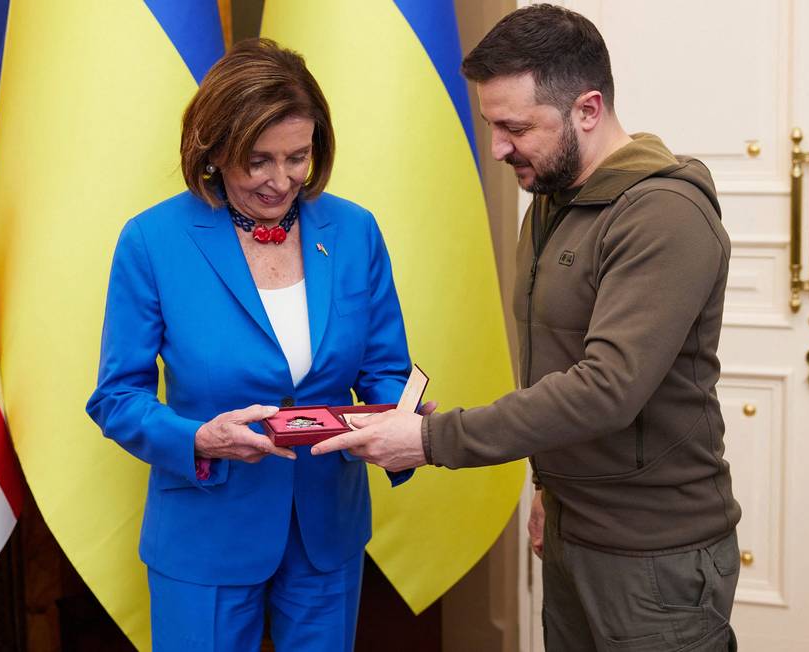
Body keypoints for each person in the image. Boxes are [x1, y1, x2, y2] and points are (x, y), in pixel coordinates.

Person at [313, 5, 741, 650]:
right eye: (492, 125)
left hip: (655, 555)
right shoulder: (552, 201)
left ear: (587, 110)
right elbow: (555, 365)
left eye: (516, 127)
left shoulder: (663, 214)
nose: (498, 148)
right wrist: (550, 487)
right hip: (574, 530)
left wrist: (431, 439)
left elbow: (605, 390)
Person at [86, 38, 418, 652]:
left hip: (326, 529)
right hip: (206, 529)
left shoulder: (354, 230)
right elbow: (116, 398)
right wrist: (200, 439)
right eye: (258, 160)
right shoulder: (152, 242)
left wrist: (402, 417)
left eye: (299, 155)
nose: (282, 180)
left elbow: (383, 368)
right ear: (212, 150)